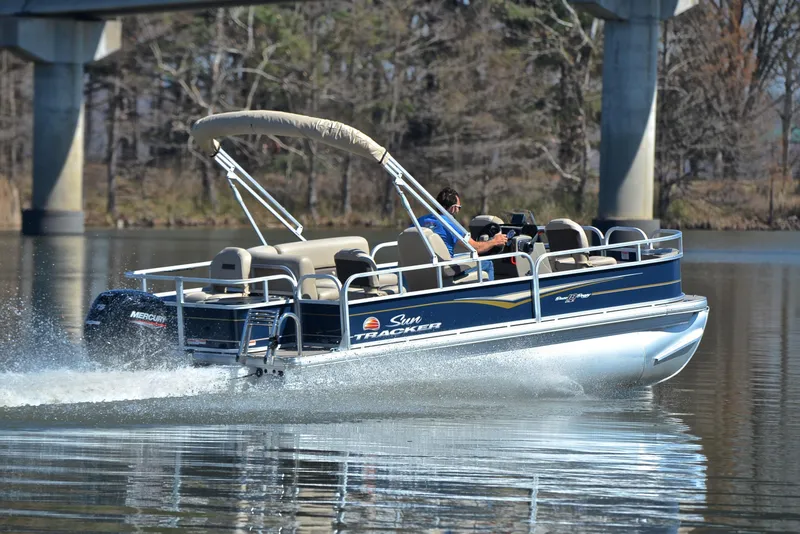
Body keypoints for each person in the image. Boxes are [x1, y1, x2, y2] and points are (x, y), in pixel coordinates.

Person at [416, 187, 507, 281]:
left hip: (424, 271)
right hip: (443, 272)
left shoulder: (419, 221)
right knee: (487, 264)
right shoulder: (450, 223)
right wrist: (495, 241)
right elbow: (476, 248)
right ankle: (490, 294)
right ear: (454, 208)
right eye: (459, 208)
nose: (458, 210)